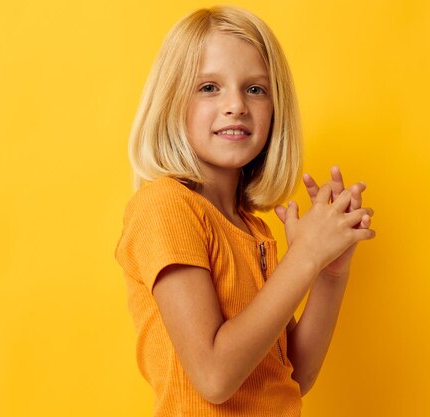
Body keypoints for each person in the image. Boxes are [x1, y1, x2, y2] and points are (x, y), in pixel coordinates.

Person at [115, 5, 376, 416]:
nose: (235, 105)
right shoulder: (165, 206)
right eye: (208, 87)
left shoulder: (252, 229)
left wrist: (328, 272)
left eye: (255, 89)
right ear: (170, 102)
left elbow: (294, 376)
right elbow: (215, 376)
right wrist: (303, 257)